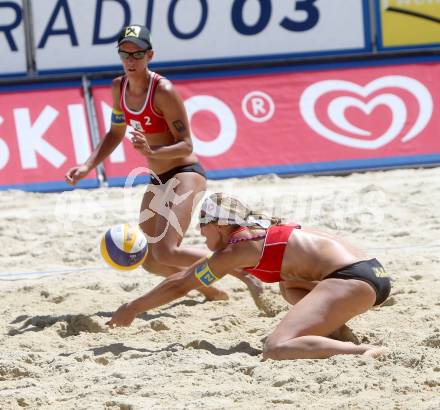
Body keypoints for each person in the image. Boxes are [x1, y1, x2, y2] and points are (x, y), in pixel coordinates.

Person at [65, 25, 262, 303]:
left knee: (168, 251)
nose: (131, 60)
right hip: (158, 178)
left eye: (138, 54)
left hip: (185, 173)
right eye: (125, 53)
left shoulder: (163, 90)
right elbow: (115, 133)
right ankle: (213, 293)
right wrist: (87, 166)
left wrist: (151, 149)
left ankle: (241, 270)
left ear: (150, 55)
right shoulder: (118, 87)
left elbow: (187, 145)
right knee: (150, 259)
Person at [106, 192, 392, 360]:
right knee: (288, 284)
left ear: (219, 225)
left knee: (276, 348)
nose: (199, 233)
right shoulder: (260, 232)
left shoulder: (239, 247)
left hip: (353, 280)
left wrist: (133, 307)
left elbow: (183, 283)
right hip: (373, 273)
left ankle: (363, 352)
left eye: (202, 226)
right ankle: (338, 332)